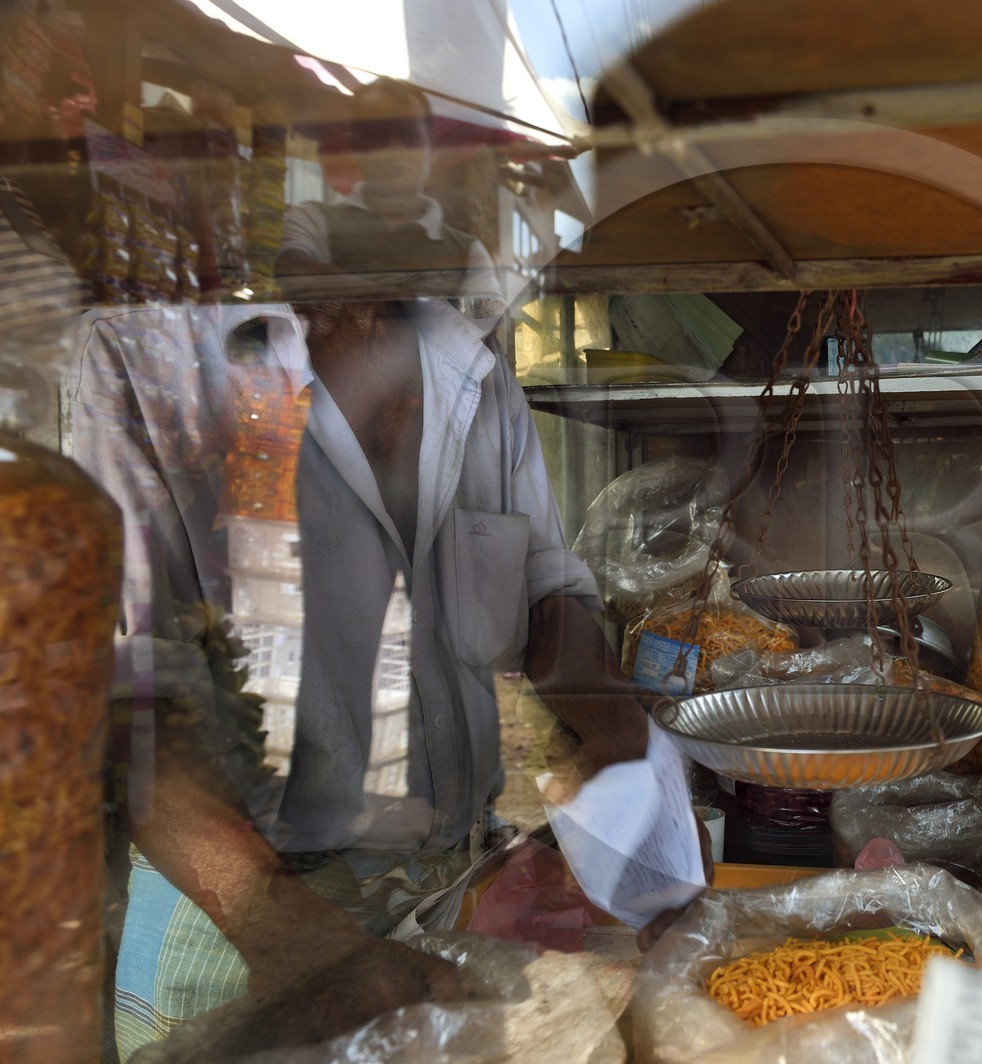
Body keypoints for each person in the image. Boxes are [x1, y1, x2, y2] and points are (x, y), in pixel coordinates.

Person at [77, 300, 695, 1052]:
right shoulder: (146, 358)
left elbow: (541, 591)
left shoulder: (470, 362)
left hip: (437, 901)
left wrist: (622, 739)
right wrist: (292, 938)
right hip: (240, 921)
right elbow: (128, 699)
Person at [277, 77, 502, 308]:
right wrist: (404, 305)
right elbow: (292, 270)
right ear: (356, 148)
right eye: (377, 135)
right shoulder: (311, 220)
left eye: (409, 136)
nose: (393, 149)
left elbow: (488, 324)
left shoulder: (468, 251)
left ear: (432, 150)